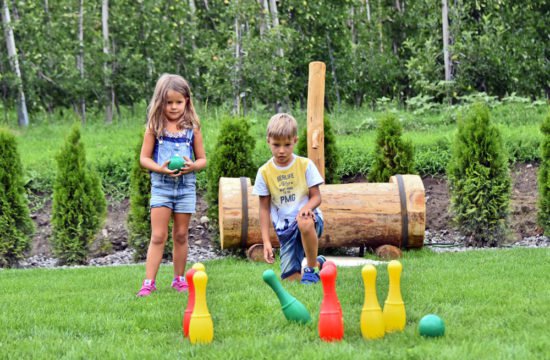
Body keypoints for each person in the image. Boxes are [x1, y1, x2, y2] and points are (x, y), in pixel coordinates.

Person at [136, 74, 206, 297]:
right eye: (169, 102)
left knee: (181, 235)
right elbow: (144, 158)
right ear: (160, 102)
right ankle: (149, 282)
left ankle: (179, 279)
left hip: (185, 188)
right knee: (158, 236)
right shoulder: (155, 126)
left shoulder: (192, 127)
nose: (174, 107)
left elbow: (203, 159)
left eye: (179, 102)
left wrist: (192, 166)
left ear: (187, 101)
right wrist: (160, 168)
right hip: (162, 188)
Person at [252, 113, 325, 284]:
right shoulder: (264, 172)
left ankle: (311, 269)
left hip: (311, 221)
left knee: (305, 221)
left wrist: (306, 208)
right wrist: (266, 241)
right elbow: (264, 208)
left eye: (287, 144)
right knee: (291, 280)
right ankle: (319, 262)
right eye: (276, 145)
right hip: (286, 230)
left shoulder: (305, 165)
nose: (282, 150)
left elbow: (317, 197)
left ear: (295, 140)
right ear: (268, 141)